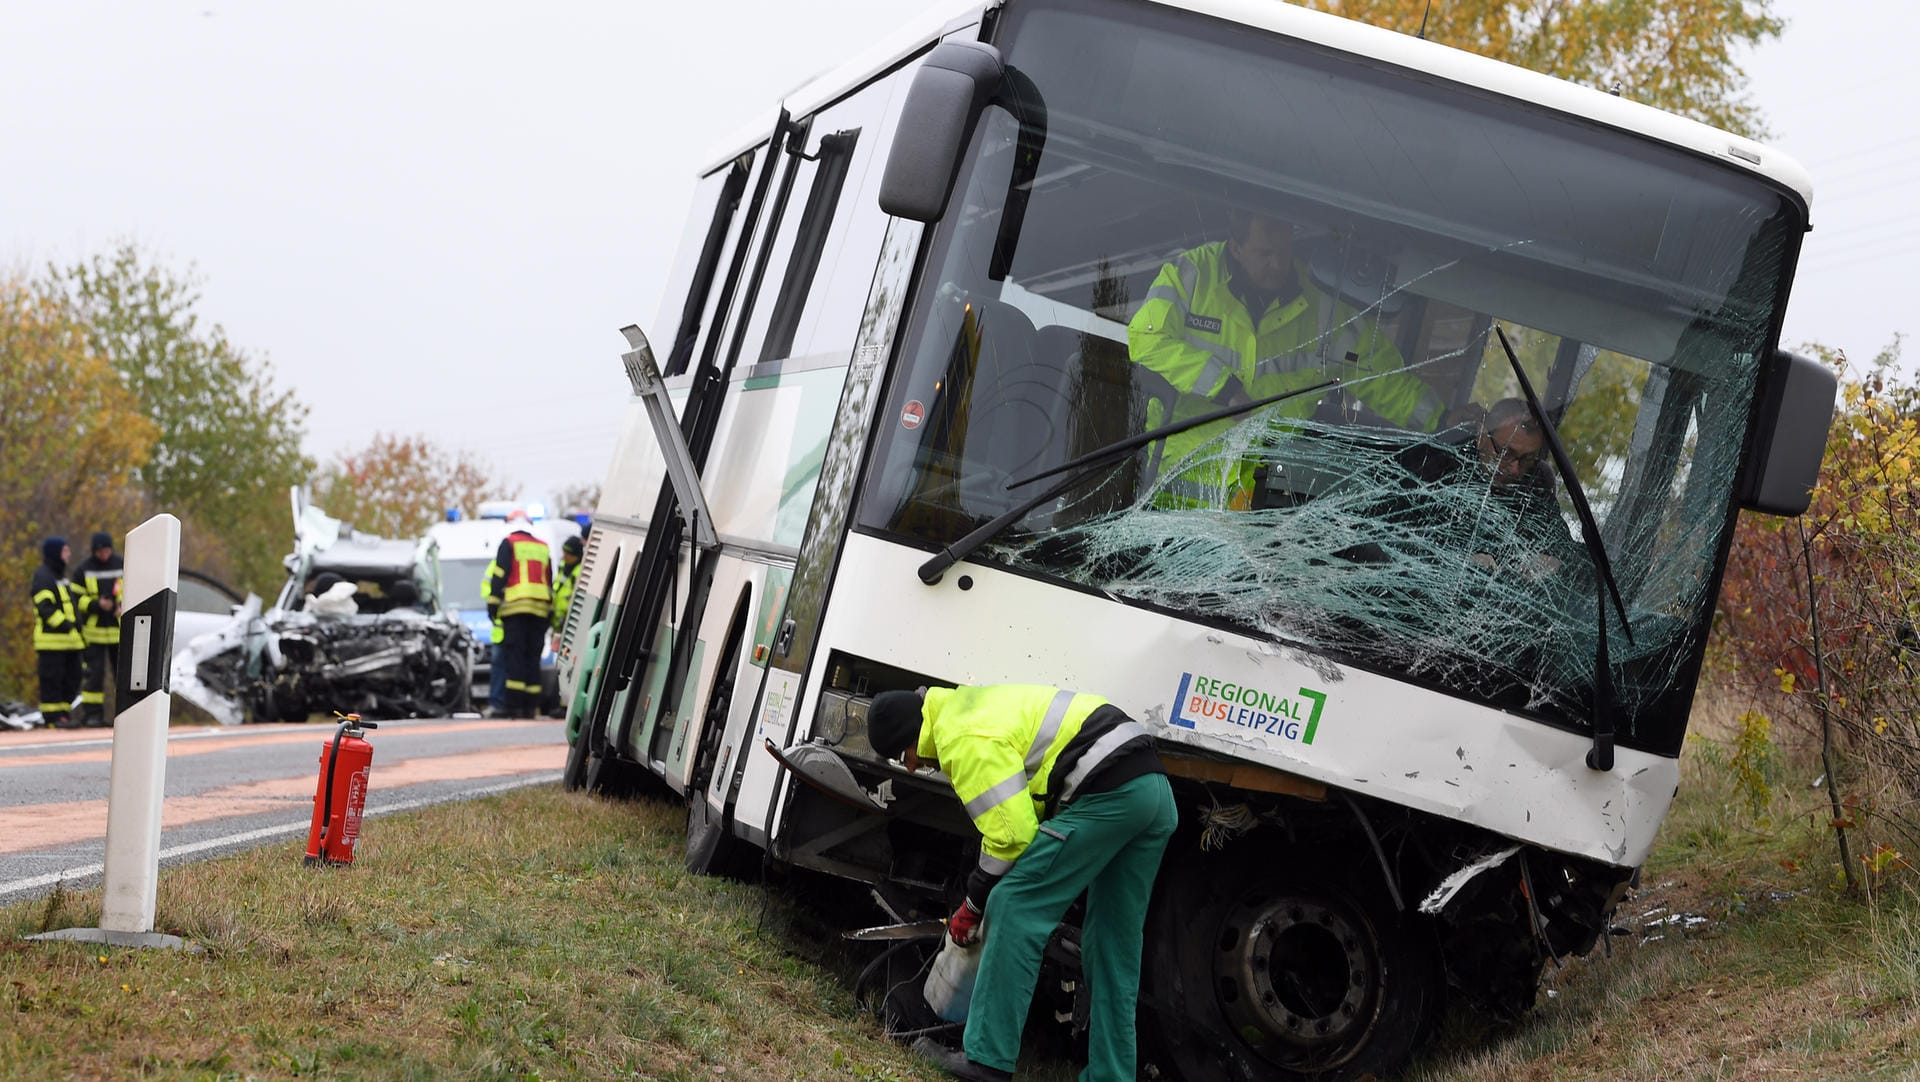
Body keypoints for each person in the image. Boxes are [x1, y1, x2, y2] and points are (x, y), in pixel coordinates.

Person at [867, 684, 1176, 1082]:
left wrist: (973, 903)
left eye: (902, 754)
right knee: (1112, 943)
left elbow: (1012, 835)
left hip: (1109, 792)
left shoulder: (959, 738)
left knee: (1014, 905)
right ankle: (1111, 1075)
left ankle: (986, 1061)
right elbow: (1022, 812)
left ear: (913, 734)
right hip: (1152, 792)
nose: (909, 766)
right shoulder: (969, 708)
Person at [1127, 210, 1445, 508]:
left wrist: (1442, 423)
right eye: (1265, 254)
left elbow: (1381, 376)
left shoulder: (1324, 309)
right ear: (1235, 248)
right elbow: (1146, 340)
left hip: (1263, 503)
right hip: (1171, 486)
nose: (1278, 265)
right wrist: (1223, 388)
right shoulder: (1191, 276)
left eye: (1283, 252)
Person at [486, 511, 552, 717]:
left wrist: (493, 606)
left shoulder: (509, 543)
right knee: (533, 657)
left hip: (516, 609)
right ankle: (530, 707)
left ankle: (513, 707)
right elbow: (549, 580)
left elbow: (499, 576)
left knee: (515, 656)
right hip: (541, 610)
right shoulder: (543, 546)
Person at [29, 537, 85, 730]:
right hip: (51, 643)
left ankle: (63, 715)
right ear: (55, 553)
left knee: (72, 678)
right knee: (51, 681)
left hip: (70, 643)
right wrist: (66, 625)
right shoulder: (43, 576)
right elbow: (45, 608)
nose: (68, 554)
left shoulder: (60, 575)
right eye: (65, 550)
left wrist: (77, 627)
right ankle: (52, 719)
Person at [71, 531, 124, 727]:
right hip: (94, 633)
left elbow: (135, 588)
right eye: (101, 551)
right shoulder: (83, 569)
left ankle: (124, 715)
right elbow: (75, 599)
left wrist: (122, 605)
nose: (105, 554)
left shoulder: (122, 564)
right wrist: (96, 604)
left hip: (119, 632)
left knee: (123, 676)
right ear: (95, 551)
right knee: (94, 675)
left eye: (108, 550)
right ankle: (93, 716)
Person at [550, 535, 583, 648]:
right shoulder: (563, 567)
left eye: (568, 554)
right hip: (557, 622)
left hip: (569, 623)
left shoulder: (580, 572)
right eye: (564, 552)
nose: (564, 556)